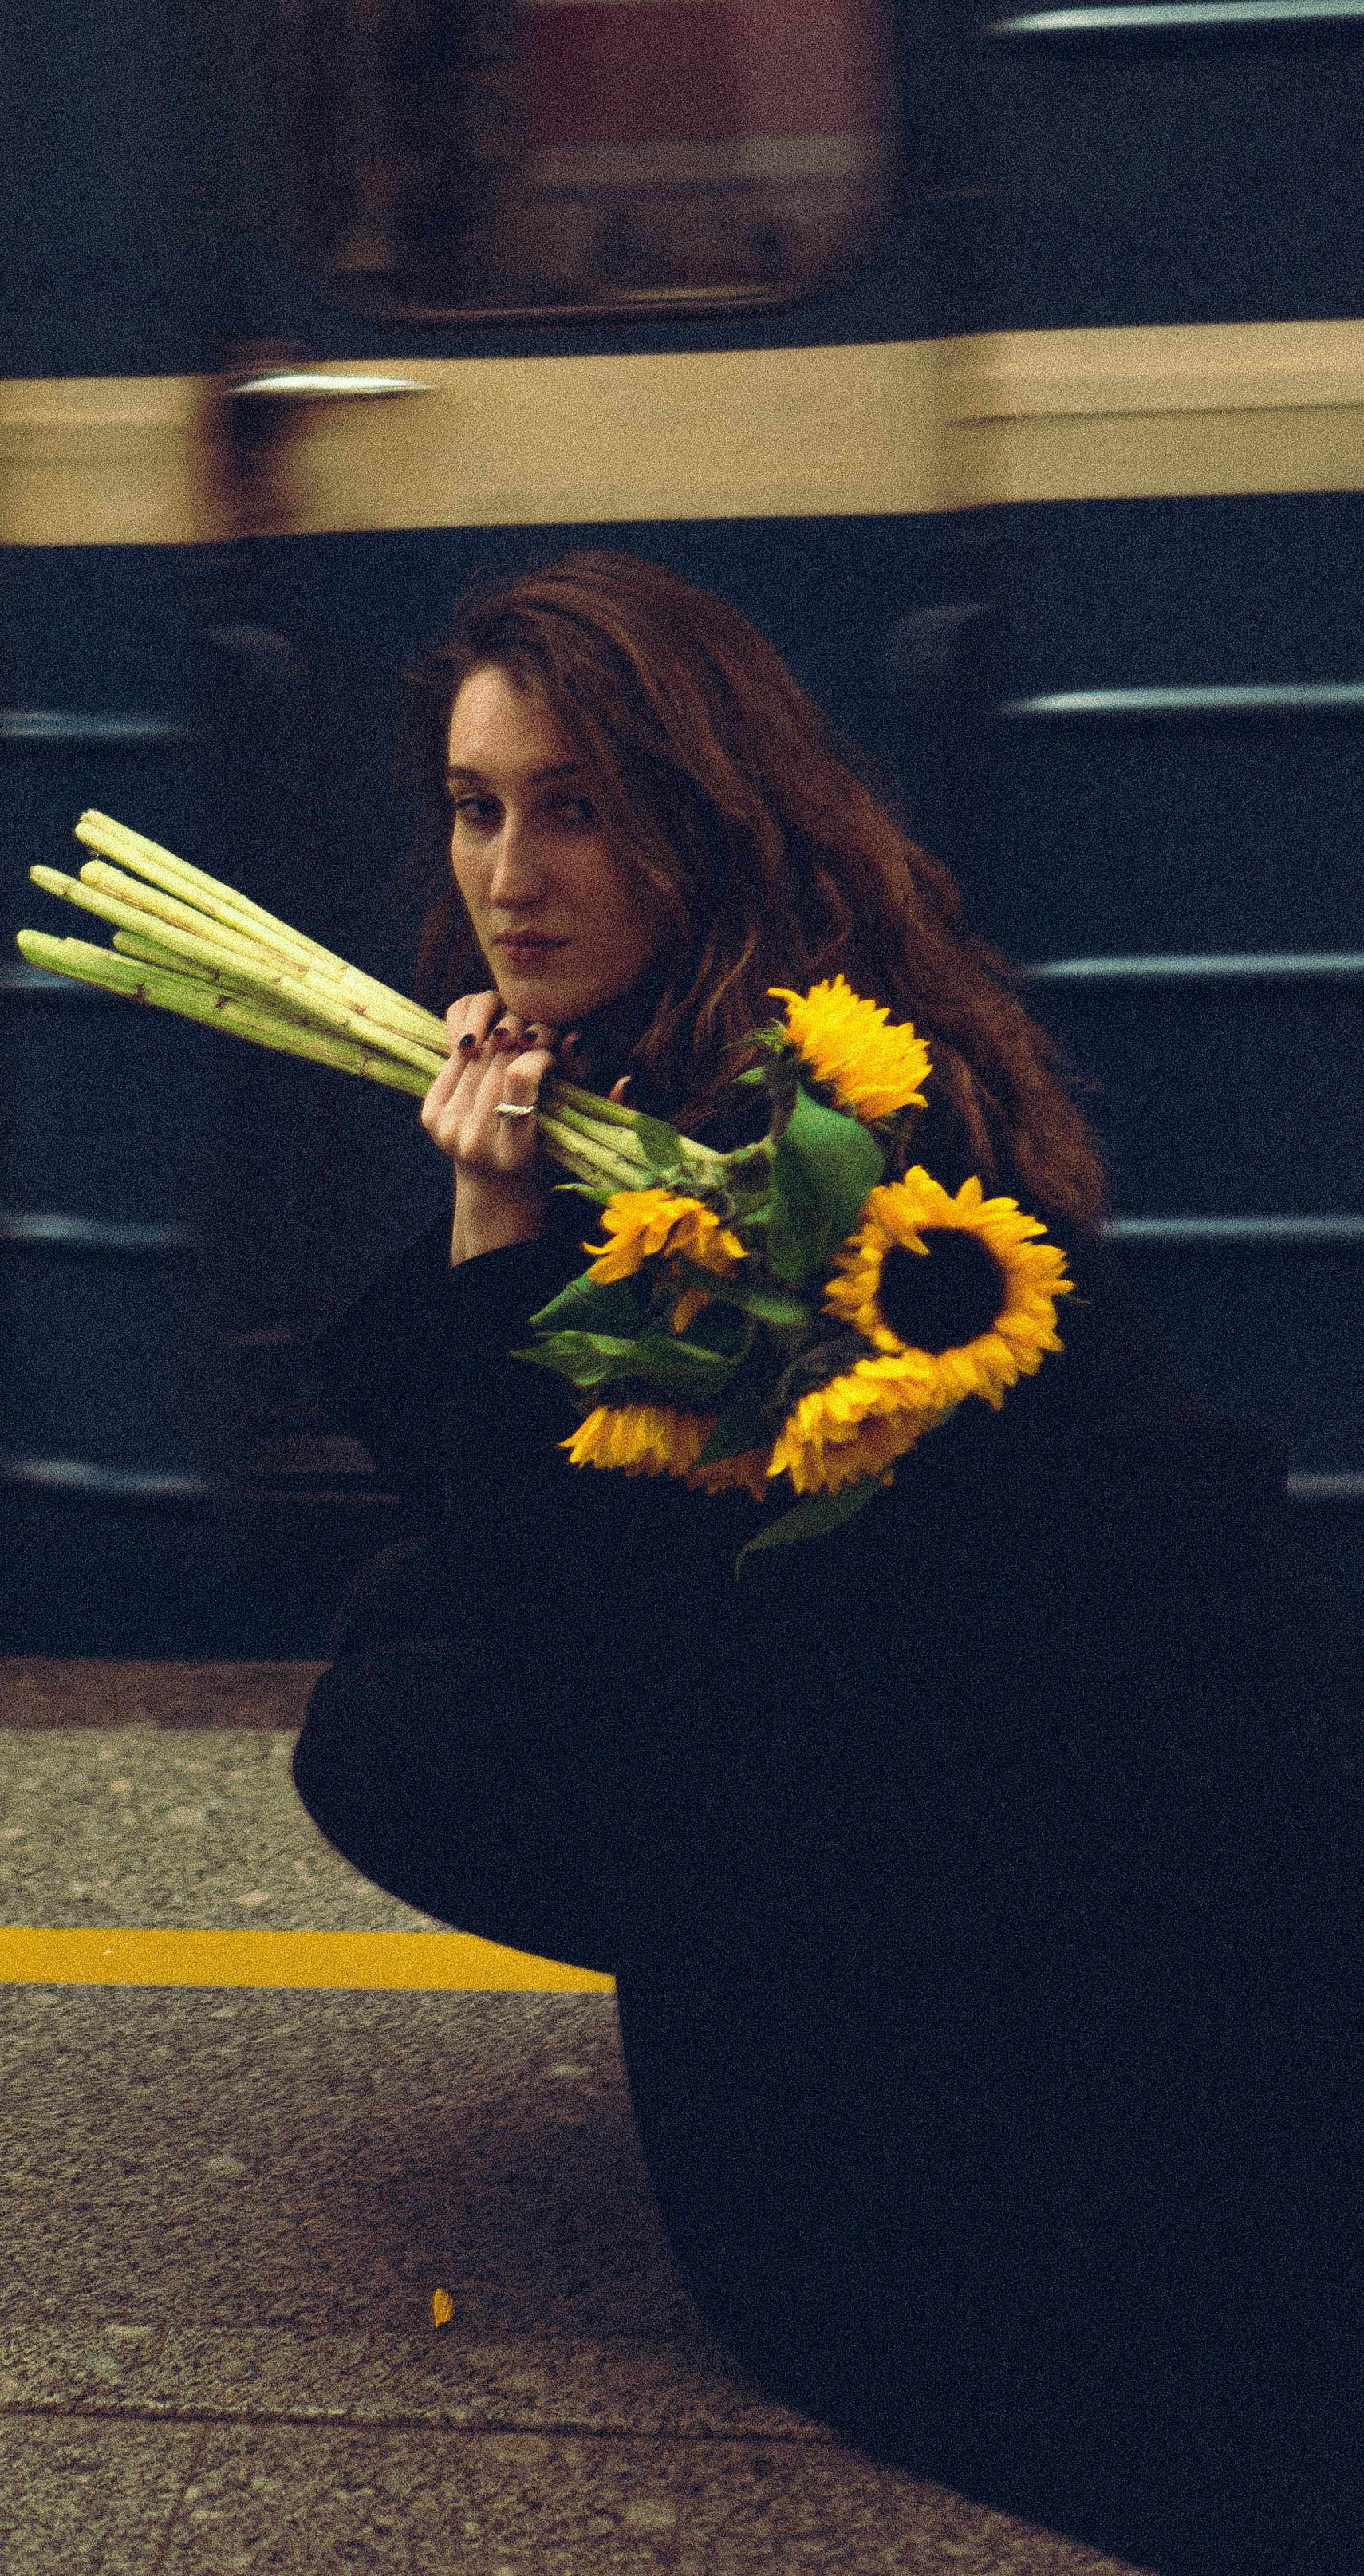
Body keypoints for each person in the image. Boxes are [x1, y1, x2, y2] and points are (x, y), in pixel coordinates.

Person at [290, 551, 1364, 2576]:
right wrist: (502, 1207)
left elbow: (603, 1616)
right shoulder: (724, 1055)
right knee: (397, 1642)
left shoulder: (820, 1146)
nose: (510, 873)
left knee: (406, 1719)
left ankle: (833, 1989)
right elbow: (575, 1550)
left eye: (578, 805)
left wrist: (481, 1237)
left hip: (1092, 1808)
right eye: (475, 804)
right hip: (998, 1708)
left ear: (704, 814)